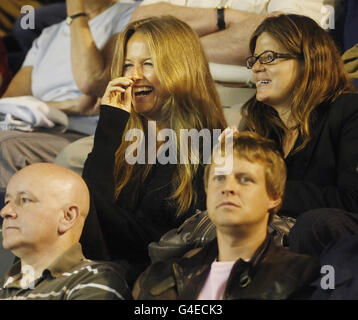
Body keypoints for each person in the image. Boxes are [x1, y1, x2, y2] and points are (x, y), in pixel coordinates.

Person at [54, 0, 328, 175]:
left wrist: (176, 45)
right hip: (165, 98)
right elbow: (142, 23)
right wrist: (228, 17)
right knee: (72, 159)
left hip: (243, 100)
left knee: (183, 156)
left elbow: (289, 37)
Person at [80, 16, 227, 285]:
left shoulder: (210, 144)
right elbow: (92, 205)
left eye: (148, 64)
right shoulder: (121, 138)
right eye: (127, 65)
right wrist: (109, 128)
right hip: (101, 269)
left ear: (181, 68)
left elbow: (159, 239)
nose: (134, 76)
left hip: (155, 281)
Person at [133, 131, 319, 300]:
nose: (227, 188)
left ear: (274, 197)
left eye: (245, 179)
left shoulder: (305, 277)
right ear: (207, 190)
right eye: (219, 178)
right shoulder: (163, 278)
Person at [240, 13, 358, 256]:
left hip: (325, 240)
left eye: (269, 57)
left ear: (309, 60)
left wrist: (270, 191)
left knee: (313, 225)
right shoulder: (256, 125)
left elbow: (352, 200)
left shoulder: (349, 111)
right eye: (255, 59)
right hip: (273, 240)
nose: (257, 67)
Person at [0, 0, 138, 191]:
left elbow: (92, 81)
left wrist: (76, 13)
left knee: (4, 147)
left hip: (86, 135)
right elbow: (9, 102)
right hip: (36, 130)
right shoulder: (48, 34)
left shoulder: (131, 14)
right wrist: (68, 106)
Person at [0, 163, 131, 300]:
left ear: (68, 217)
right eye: (7, 201)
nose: (5, 211)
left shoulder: (95, 281)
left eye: (25, 200)